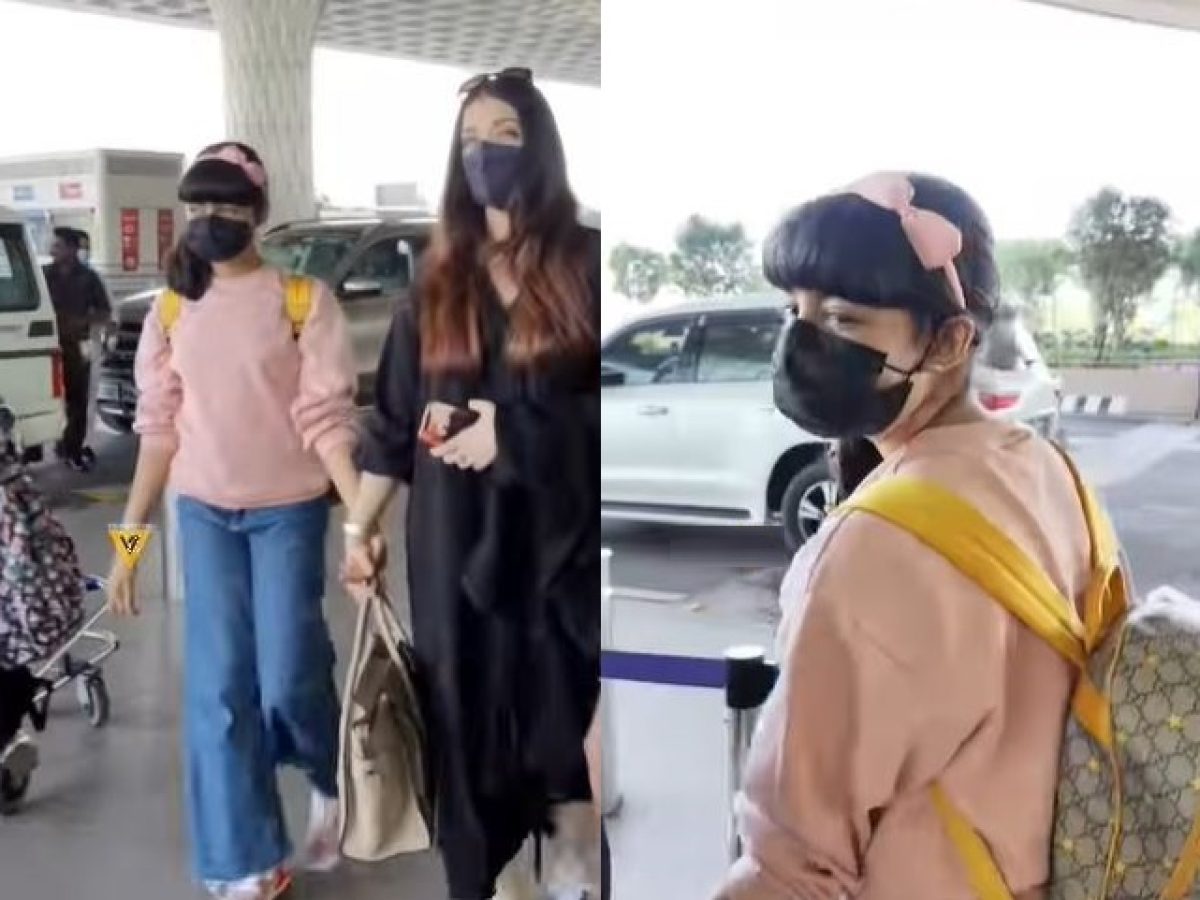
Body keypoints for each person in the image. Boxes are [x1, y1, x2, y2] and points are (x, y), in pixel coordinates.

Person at [716, 173, 1101, 898]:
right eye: (794, 310)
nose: (801, 338)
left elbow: (792, 868)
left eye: (843, 318)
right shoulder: (1050, 473)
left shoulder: (872, 547)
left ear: (951, 341)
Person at [341, 68, 601, 900]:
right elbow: (392, 424)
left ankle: (567, 879)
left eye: (505, 137)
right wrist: (360, 531)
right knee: (464, 730)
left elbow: (618, 411)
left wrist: (515, 433)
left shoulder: (588, 264)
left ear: (541, 149)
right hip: (453, 547)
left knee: (562, 737)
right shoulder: (436, 281)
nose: (485, 154)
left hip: (558, 549)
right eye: (471, 142)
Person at [106, 142, 360, 900]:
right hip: (206, 517)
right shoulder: (171, 310)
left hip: (289, 514)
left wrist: (363, 524)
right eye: (198, 205)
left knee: (288, 677)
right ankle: (247, 860)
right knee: (218, 694)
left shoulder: (303, 301)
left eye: (226, 204)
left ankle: (329, 775)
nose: (210, 218)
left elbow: (327, 421)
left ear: (259, 214)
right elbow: (158, 433)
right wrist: (128, 547)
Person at [43, 226, 110, 471]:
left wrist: (81, 321)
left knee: (77, 399)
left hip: (76, 345)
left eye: (58, 246)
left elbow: (104, 311)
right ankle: (32, 450)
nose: (52, 250)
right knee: (44, 397)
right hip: (45, 344)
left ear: (72, 249)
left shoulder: (89, 278)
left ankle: (72, 448)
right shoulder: (43, 275)